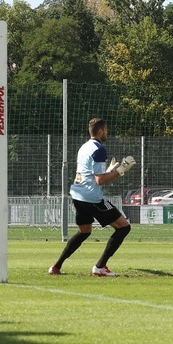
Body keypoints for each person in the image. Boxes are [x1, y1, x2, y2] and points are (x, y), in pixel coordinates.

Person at [48, 118, 136, 276]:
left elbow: (92, 173)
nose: (107, 133)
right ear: (101, 131)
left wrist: (108, 170)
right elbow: (99, 180)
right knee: (124, 227)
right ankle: (100, 267)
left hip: (78, 195)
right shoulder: (99, 149)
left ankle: (56, 267)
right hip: (92, 198)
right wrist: (121, 170)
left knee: (84, 232)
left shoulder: (84, 147)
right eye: (106, 130)